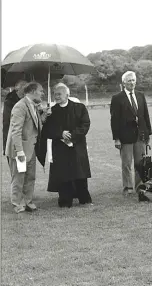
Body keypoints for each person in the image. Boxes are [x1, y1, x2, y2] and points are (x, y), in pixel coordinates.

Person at [42, 83, 92, 208]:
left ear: (67, 95)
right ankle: (65, 200)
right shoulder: (51, 111)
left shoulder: (79, 107)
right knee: (63, 174)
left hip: (77, 145)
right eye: (55, 94)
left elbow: (85, 124)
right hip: (60, 147)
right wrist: (60, 134)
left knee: (80, 172)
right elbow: (47, 130)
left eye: (59, 94)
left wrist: (72, 136)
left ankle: (84, 199)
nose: (56, 96)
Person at [5, 82, 47, 213]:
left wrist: (45, 115)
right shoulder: (20, 106)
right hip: (19, 150)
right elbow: (15, 131)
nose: (43, 93)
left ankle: (28, 202)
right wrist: (20, 152)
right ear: (33, 91)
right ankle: (17, 204)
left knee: (30, 177)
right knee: (18, 178)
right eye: (41, 91)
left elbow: (36, 126)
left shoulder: (34, 105)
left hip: (31, 148)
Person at [110, 71, 152, 196]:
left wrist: (148, 133)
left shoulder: (140, 95)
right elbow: (114, 120)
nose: (132, 82)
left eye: (133, 80)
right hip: (125, 137)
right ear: (123, 83)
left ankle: (140, 186)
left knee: (140, 163)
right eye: (129, 80)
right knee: (127, 163)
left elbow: (145, 115)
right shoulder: (117, 98)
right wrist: (116, 138)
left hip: (140, 136)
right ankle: (128, 187)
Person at [3, 80, 27, 155]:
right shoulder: (10, 101)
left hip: (22, 137)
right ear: (17, 89)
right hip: (12, 133)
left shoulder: (24, 99)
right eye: (24, 89)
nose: (26, 92)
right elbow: (9, 121)